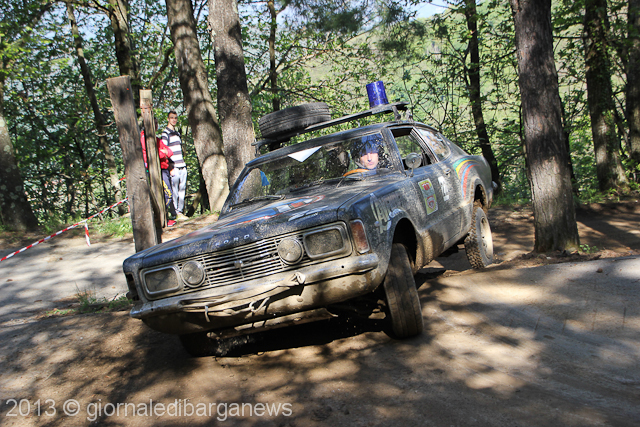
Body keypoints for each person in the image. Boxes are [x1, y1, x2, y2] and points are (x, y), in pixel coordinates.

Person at [141, 118, 177, 227]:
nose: (156, 126)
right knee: (168, 194)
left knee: (165, 194)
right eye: (154, 123)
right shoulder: (144, 138)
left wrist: (164, 152)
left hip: (164, 169)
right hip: (156, 171)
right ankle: (159, 217)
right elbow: (152, 154)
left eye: (156, 123)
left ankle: (163, 217)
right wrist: (163, 153)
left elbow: (169, 152)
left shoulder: (156, 139)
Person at [162, 111, 188, 219]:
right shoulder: (165, 134)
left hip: (182, 165)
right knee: (174, 191)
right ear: (168, 119)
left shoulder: (177, 134)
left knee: (182, 189)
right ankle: (175, 213)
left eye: (175, 118)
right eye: (172, 118)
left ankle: (180, 212)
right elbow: (164, 151)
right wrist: (170, 167)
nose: (174, 120)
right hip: (174, 167)